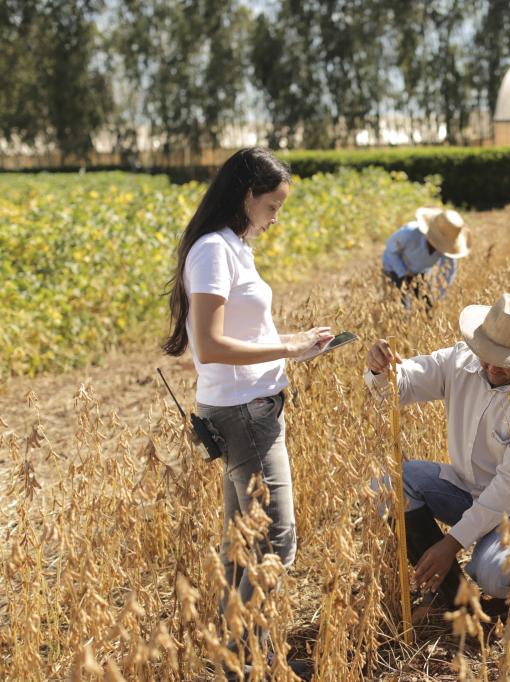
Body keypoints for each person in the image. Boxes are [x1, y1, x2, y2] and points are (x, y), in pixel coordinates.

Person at [161, 147, 332, 677]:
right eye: (273, 206)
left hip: (249, 409)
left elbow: (242, 336)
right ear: (246, 196)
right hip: (245, 416)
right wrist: (287, 348)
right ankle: (252, 661)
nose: (276, 218)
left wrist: (297, 343)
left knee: (242, 542)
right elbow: (210, 347)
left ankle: (235, 656)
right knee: (276, 539)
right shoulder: (213, 250)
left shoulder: (233, 247)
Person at [364, 293, 510, 618]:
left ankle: (501, 594)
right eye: (487, 354)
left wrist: (452, 543)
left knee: (499, 575)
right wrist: (380, 370)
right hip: (465, 490)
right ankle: (456, 596)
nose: (490, 366)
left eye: (504, 360)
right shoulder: (460, 360)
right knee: (390, 484)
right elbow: (400, 387)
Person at [381, 207, 469, 307]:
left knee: (428, 307)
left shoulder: (448, 248)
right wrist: (403, 272)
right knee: (400, 306)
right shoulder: (409, 233)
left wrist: (439, 296)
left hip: (420, 272)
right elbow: (391, 252)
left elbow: (448, 271)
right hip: (394, 268)